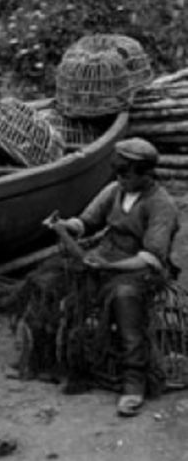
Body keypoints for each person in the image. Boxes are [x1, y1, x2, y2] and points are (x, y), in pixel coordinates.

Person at [49, 137, 179, 416]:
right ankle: (63, 358)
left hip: (140, 268)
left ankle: (134, 382)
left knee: (124, 297)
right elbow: (87, 221)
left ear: (145, 173)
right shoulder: (114, 190)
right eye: (117, 172)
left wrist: (111, 269)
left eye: (126, 173)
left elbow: (153, 257)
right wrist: (66, 225)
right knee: (51, 278)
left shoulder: (161, 205)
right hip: (106, 255)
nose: (120, 178)